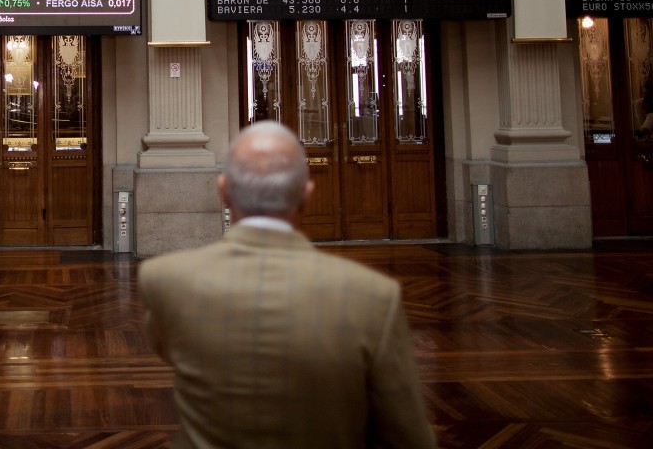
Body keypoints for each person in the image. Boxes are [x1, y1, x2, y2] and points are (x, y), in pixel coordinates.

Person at [139, 121, 436, 449]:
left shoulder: (166, 281)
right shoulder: (375, 297)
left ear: (223, 191)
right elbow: (409, 437)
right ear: (307, 195)